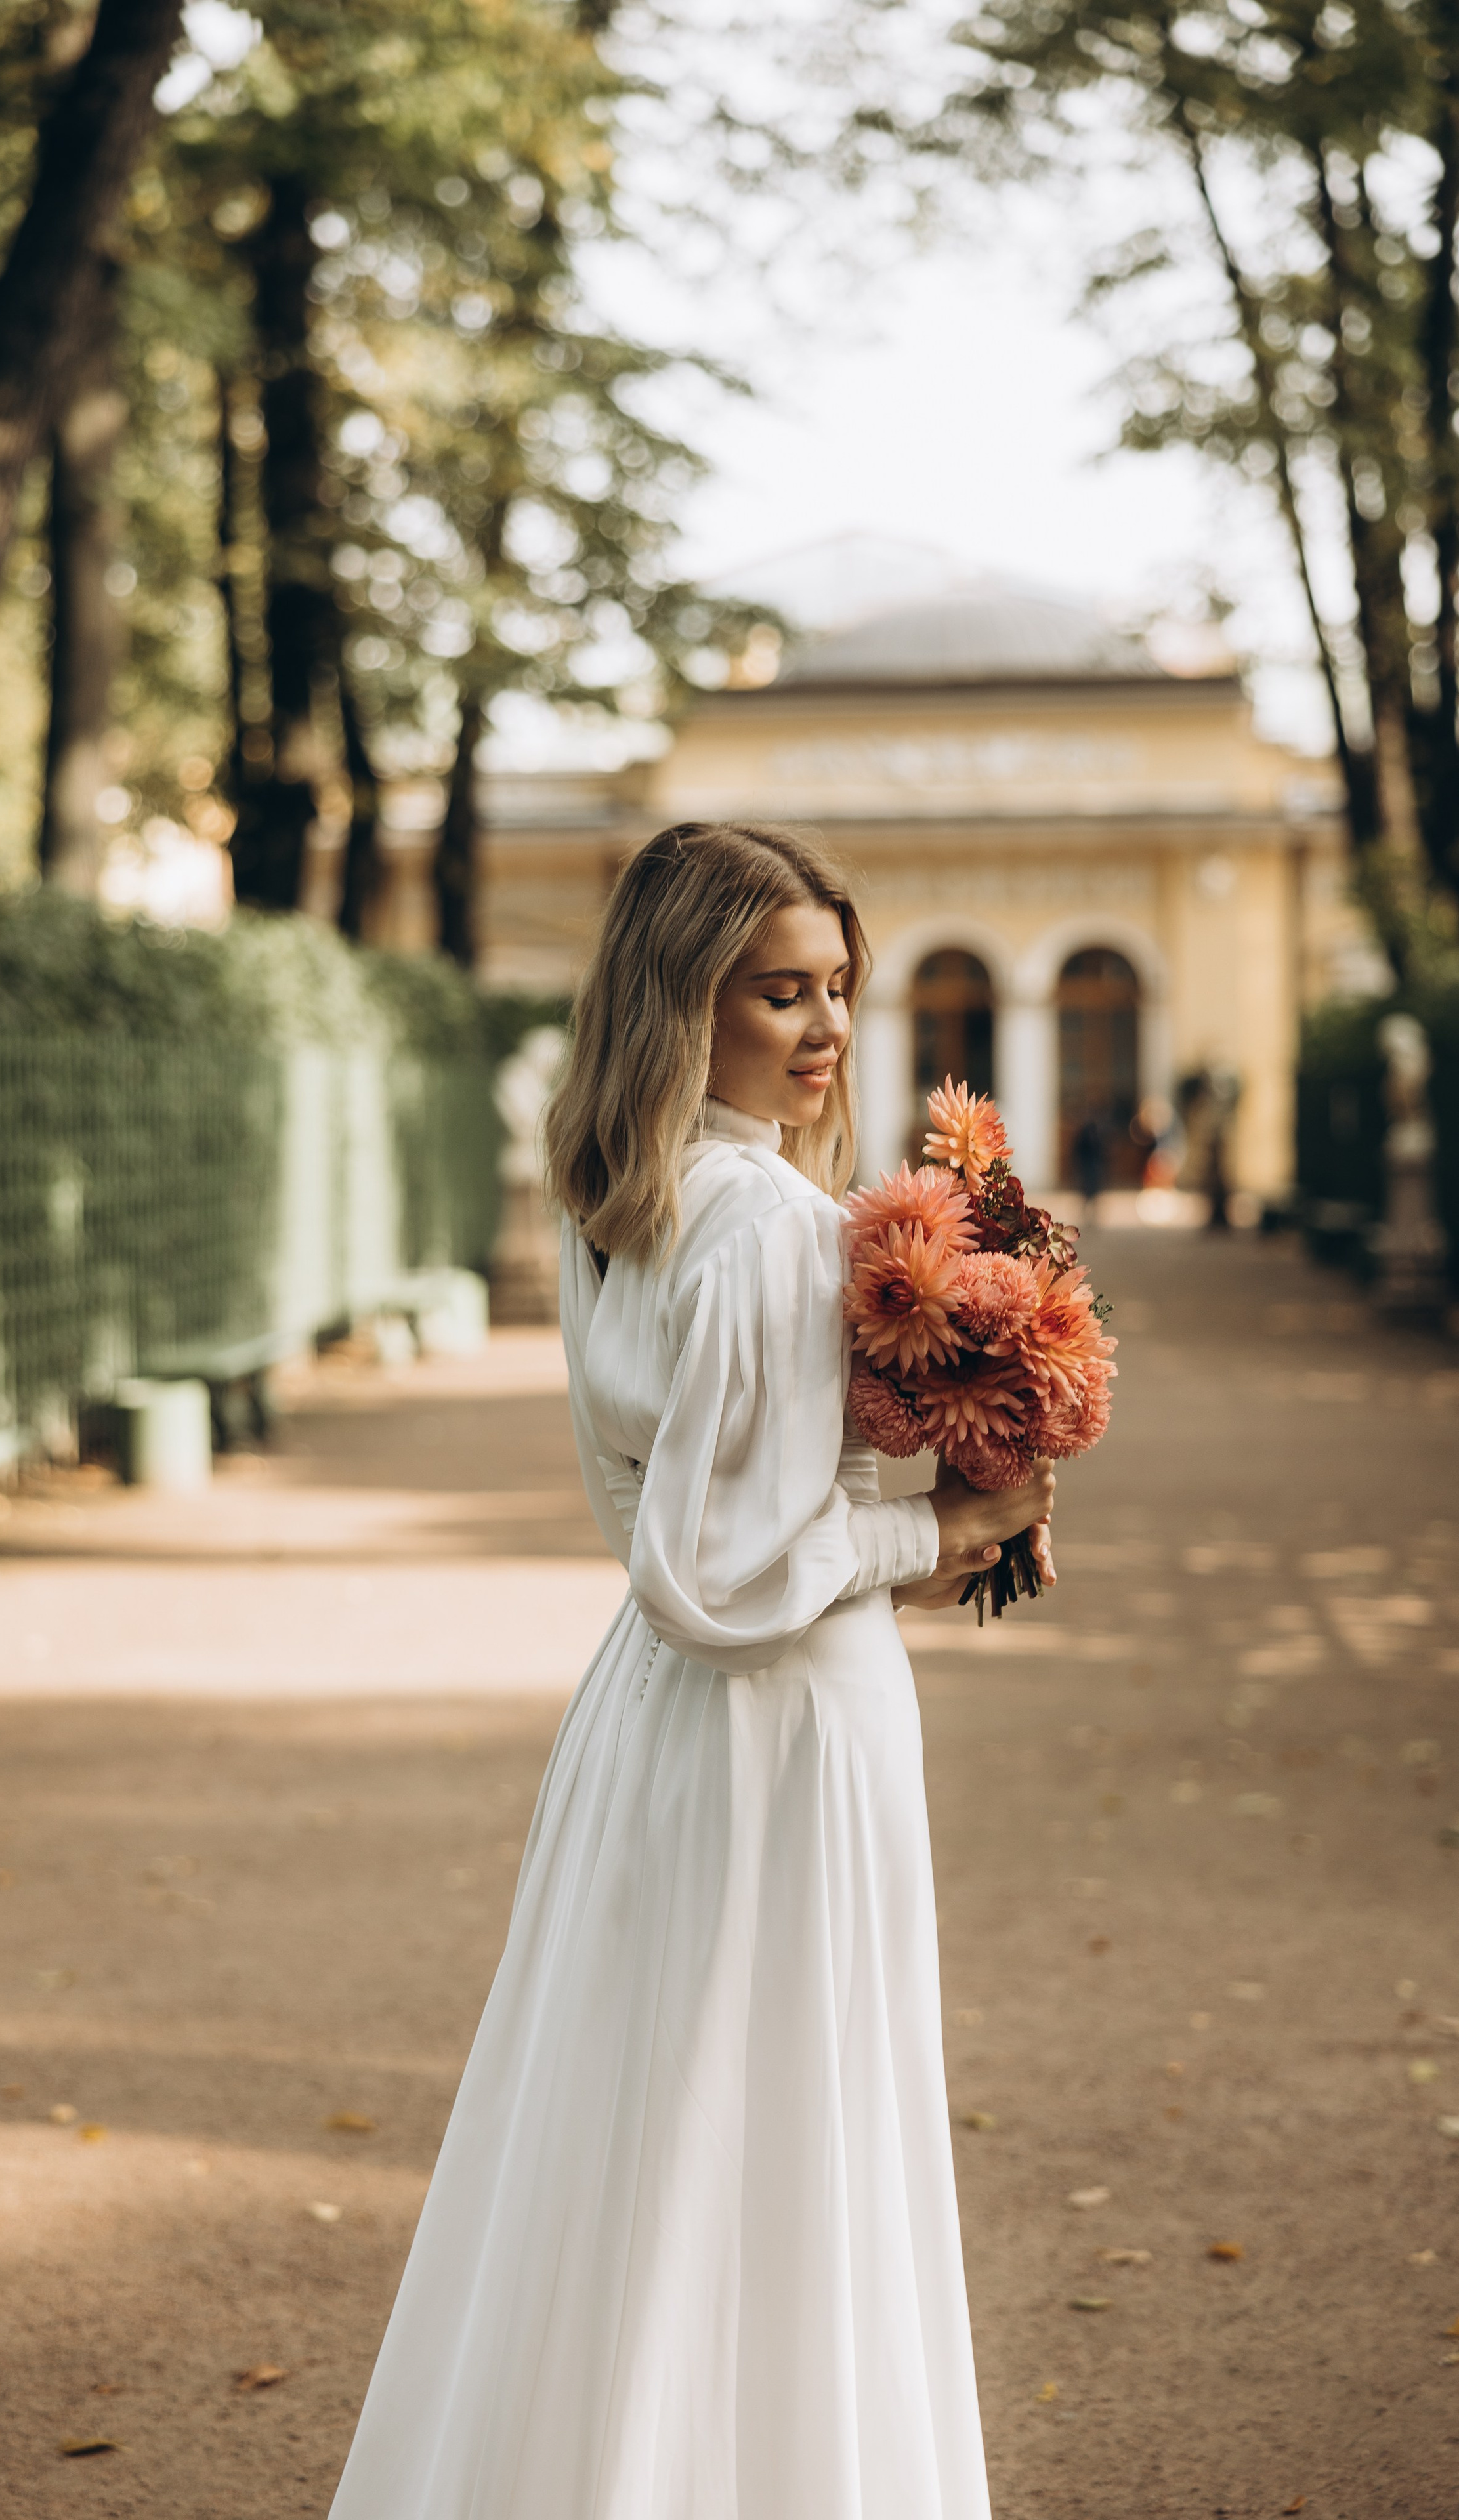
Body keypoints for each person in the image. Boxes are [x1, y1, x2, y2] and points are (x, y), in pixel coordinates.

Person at [326, 822, 1055, 2520]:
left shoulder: (622, 1207)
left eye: (839, 988)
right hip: (775, 1731)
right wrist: (934, 1530)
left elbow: (676, 1523)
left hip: (652, 1730)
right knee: (777, 2136)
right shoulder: (771, 1228)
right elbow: (720, 1576)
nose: (826, 1028)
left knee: (642, 2139)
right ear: (679, 1002)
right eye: (777, 993)